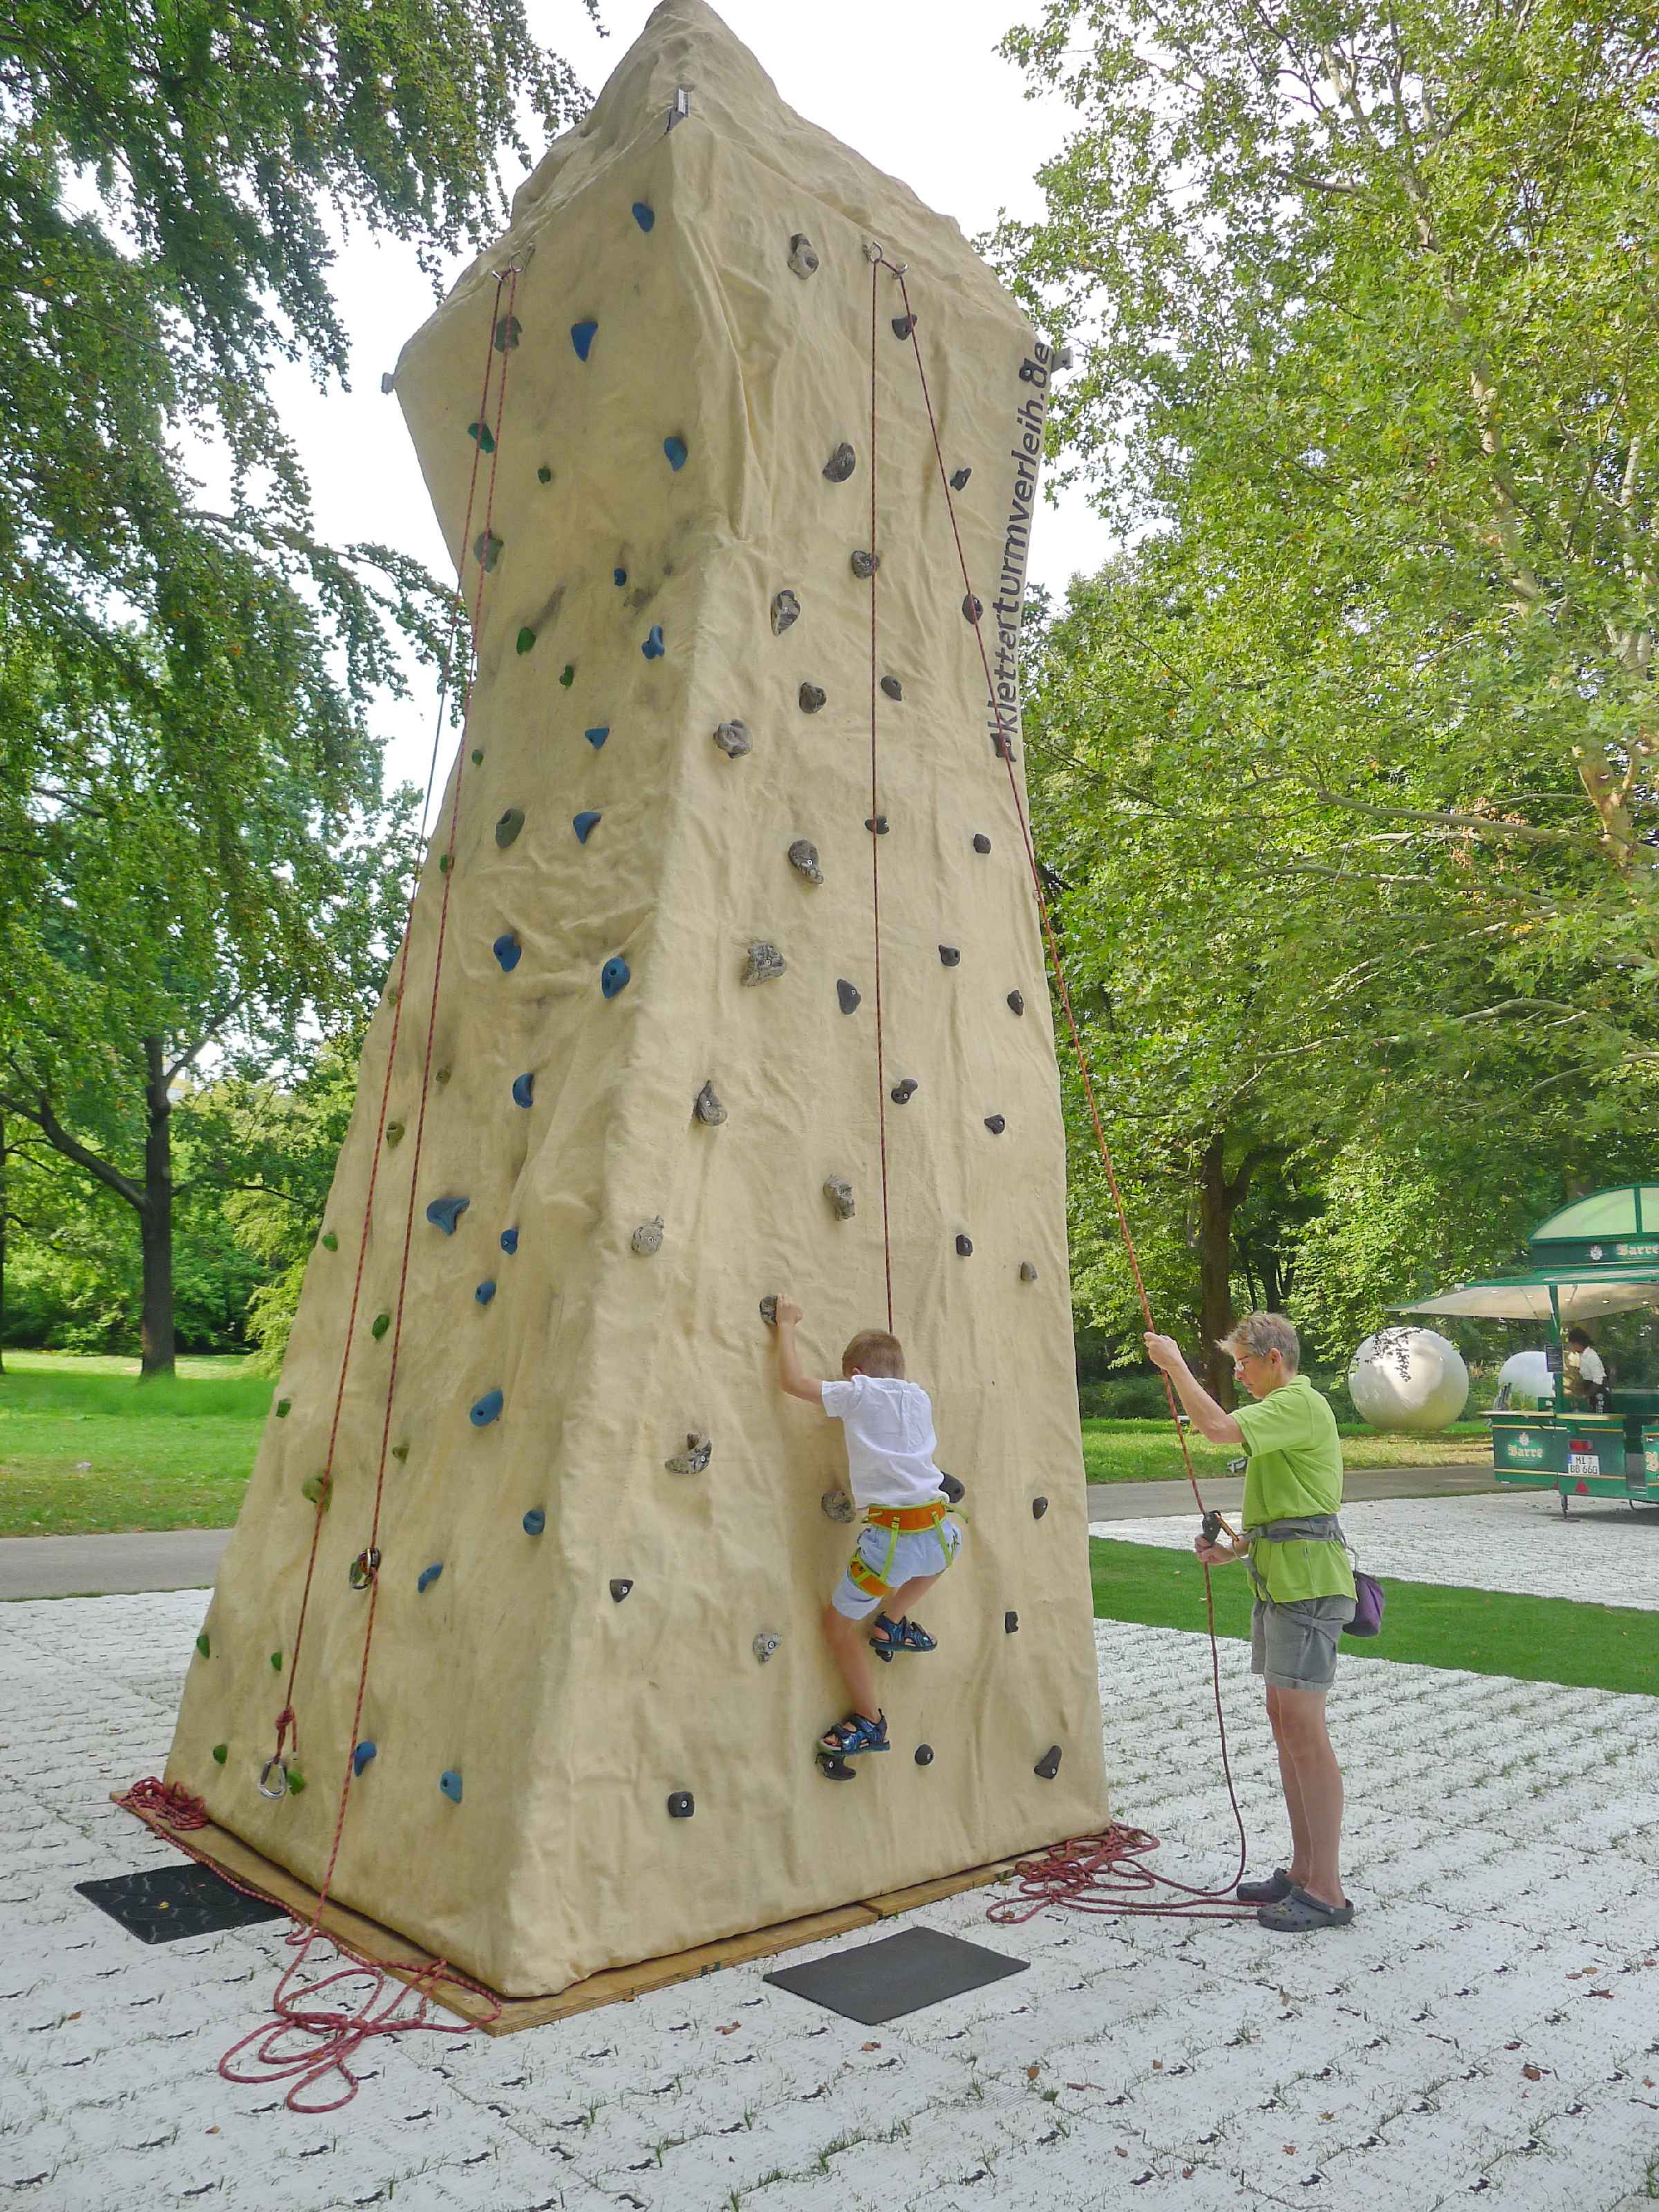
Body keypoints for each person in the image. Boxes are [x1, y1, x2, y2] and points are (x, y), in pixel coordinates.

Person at [1143, 1311, 1357, 1932]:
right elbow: (1291, 1508)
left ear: (1273, 1358)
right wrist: (1236, 1549)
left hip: (1307, 1589)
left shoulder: (1298, 1402)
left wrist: (1175, 1365)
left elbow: (1216, 1428)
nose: (1237, 1373)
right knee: (1287, 1725)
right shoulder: (1283, 1411)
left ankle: (1328, 1890)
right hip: (1283, 1584)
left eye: (1242, 1363)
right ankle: (1303, 1871)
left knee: (1305, 1731)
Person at [773, 1299, 961, 1767]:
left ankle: (869, 1720)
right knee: (942, 1556)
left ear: (856, 1375)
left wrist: (787, 1325)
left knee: (836, 1627)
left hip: (892, 1542)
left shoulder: (858, 1393)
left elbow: (792, 1382)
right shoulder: (919, 1397)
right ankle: (892, 1620)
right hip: (941, 1531)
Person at [1564, 1327, 1610, 1412]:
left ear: (1577, 1344)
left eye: (1572, 1344)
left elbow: (1598, 1380)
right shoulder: (1579, 1356)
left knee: (1598, 1415)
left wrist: (1586, 1395)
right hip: (1588, 1388)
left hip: (1597, 1390)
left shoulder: (1591, 1356)